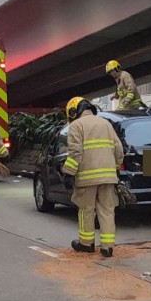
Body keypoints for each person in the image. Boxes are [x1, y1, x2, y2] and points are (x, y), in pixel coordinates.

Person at [62, 96, 124, 257]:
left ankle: (86, 244)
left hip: (87, 178)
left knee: (86, 210)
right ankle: (107, 247)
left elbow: (75, 153)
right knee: (107, 210)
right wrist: (115, 168)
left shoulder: (76, 126)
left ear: (74, 111)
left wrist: (69, 173)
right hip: (108, 176)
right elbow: (119, 150)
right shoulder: (106, 124)